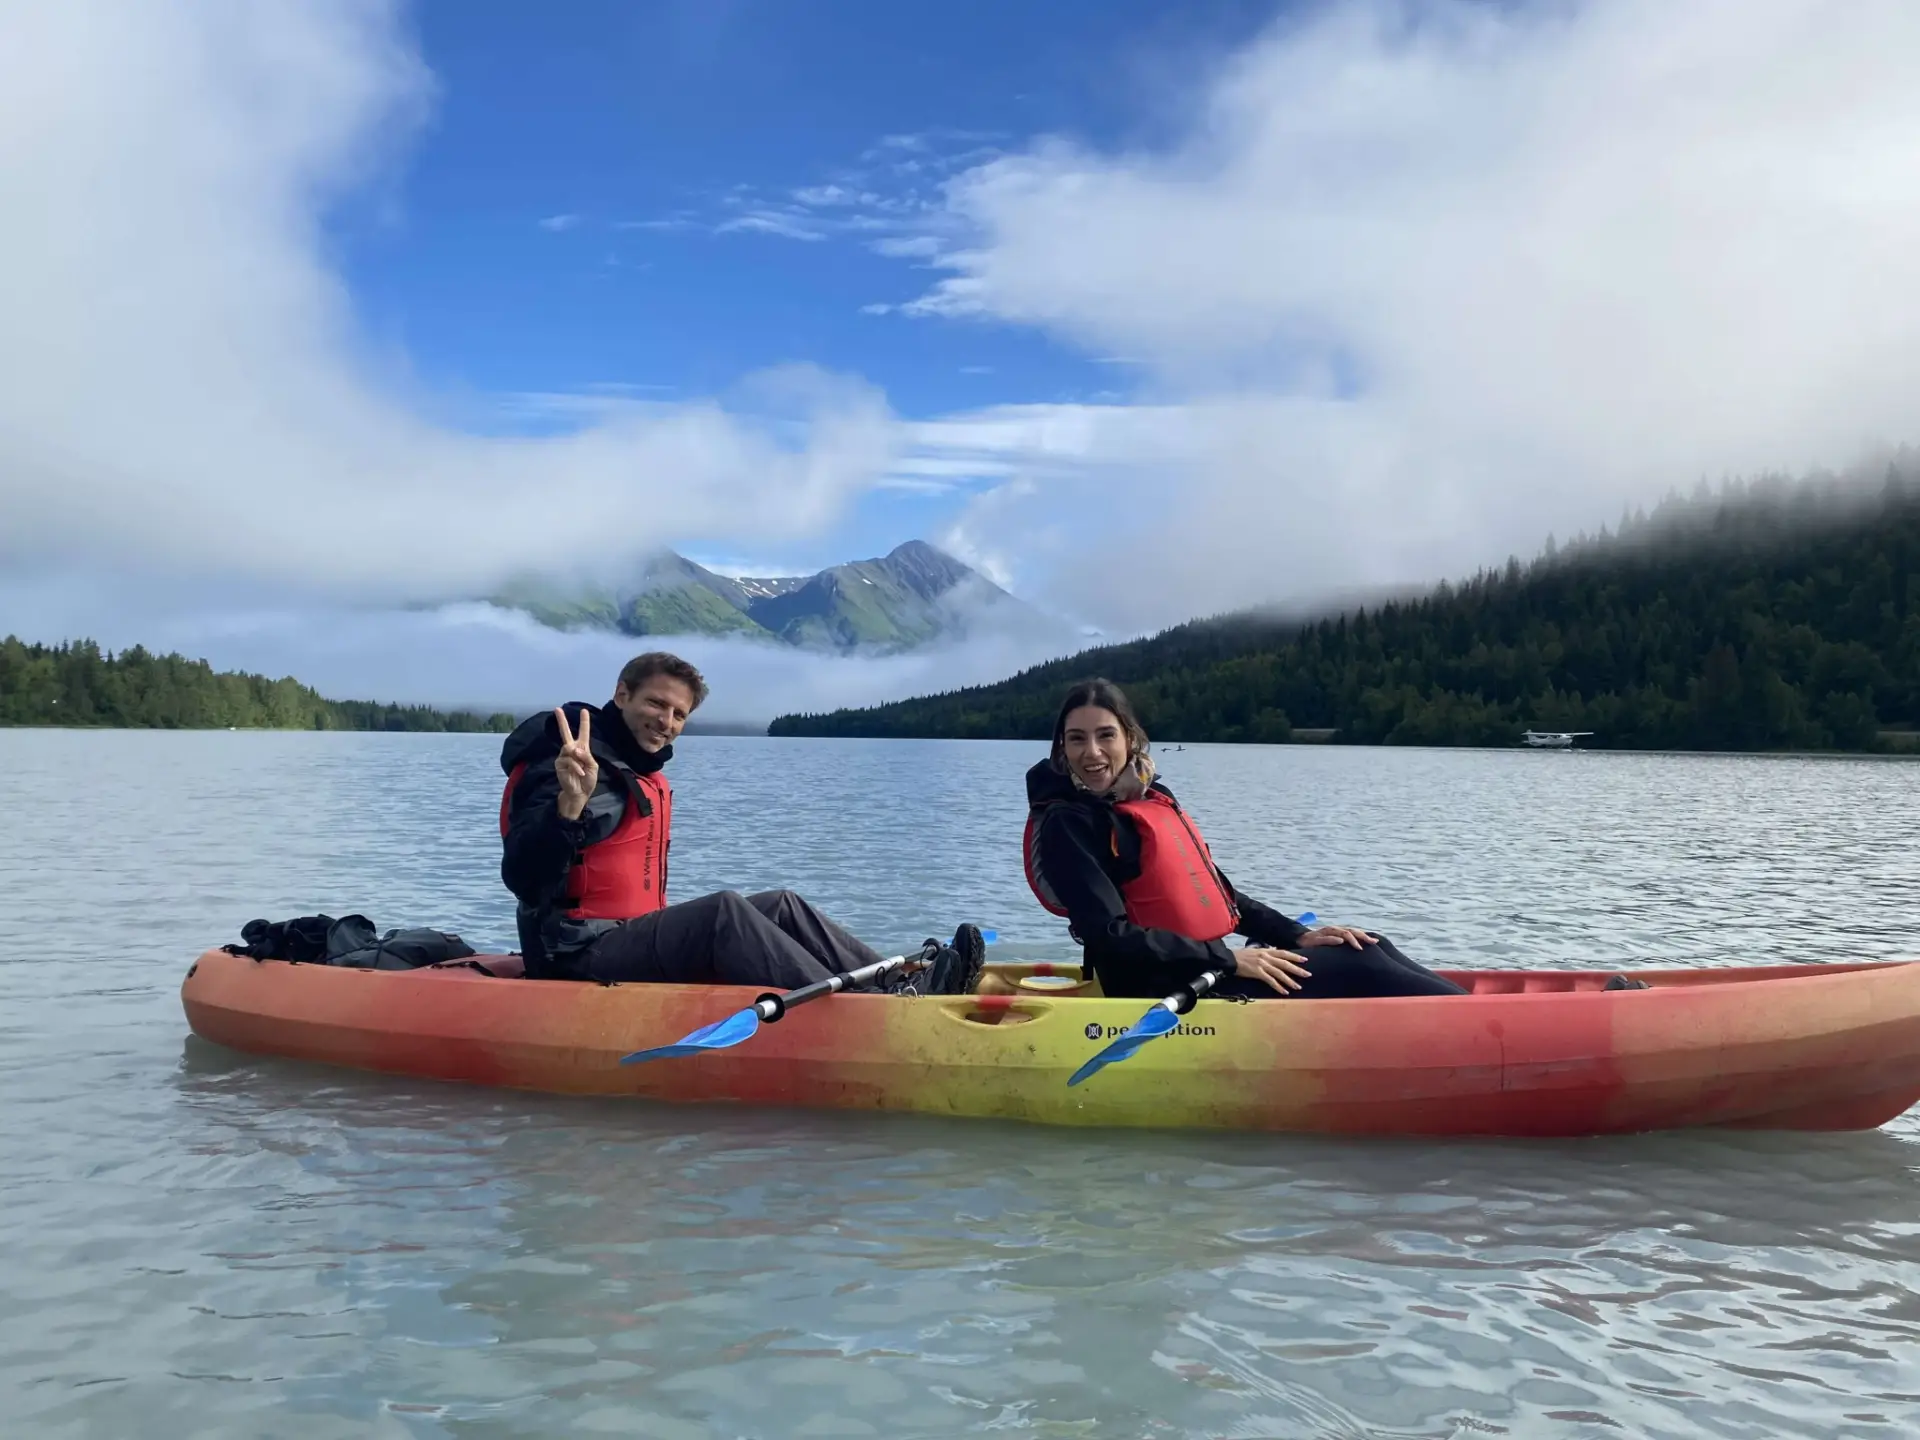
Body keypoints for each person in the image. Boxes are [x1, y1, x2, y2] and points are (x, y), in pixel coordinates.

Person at [500, 651, 983, 994]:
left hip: (625, 935)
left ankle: (899, 979)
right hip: (573, 953)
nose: (665, 720)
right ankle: (869, 1008)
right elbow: (523, 878)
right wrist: (568, 805)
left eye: (678, 714)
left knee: (781, 905)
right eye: (655, 703)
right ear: (622, 694)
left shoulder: (637, 770)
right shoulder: (565, 765)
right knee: (722, 913)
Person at [1022, 677, 1475, 1002]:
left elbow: (1219, 896)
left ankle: (1477, 1015)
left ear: (1130, 739)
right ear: (1062, 748)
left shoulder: (1151, 801)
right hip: (1156, 985)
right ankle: (1481, 1025)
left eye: (1106, 736)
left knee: (1365, 945)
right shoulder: (1068, 823)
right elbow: (1110, 936)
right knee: (1364, 966)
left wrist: (1298, 935)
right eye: (1076, 740)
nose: (1092, 753)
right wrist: (1229, 961)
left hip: (1208, 965)